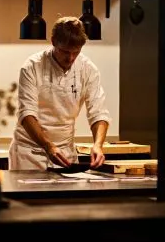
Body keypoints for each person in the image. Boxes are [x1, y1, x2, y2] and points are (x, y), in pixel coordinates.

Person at [9, 16, 111, 170]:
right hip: (28, 154)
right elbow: (26, 114)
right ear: (53, 42)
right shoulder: (32, 66)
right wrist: (48, 145)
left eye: (75, 52)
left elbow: (98, 113)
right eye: (65, 51)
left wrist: (98, 145)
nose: (70, 58)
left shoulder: (88, 69)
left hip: (66, 153)